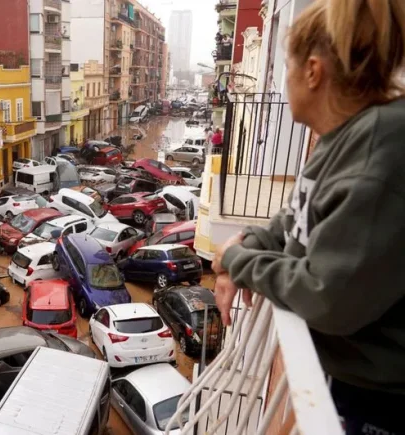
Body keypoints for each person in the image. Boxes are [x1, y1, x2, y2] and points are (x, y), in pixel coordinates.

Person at [211, 0, 405, 433]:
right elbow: (290, 223)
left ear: (313, 71)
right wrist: (239, 251)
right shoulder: (343, 140)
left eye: (287, 65)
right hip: (352, 383)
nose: (284, 79)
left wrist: (237, 261)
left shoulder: (380, 146)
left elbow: (326, 297)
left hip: (381, 407)